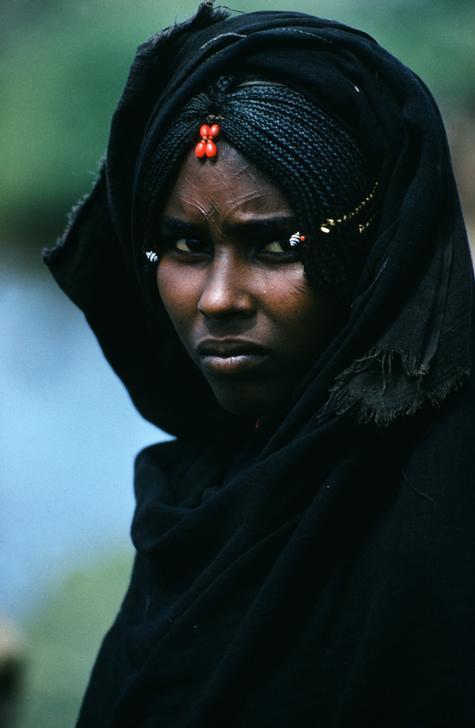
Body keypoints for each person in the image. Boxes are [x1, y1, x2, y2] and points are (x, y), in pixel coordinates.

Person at [44, 2, 475, 726]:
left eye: (275, 246)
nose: (217, 298)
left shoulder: (441, 512)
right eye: (183, 246)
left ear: (367, 257)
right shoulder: (195, 500)